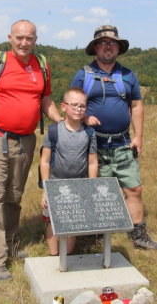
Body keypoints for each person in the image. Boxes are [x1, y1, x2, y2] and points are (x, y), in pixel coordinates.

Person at [0, 20, 62, 281]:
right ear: (10, 37)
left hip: (26, 140)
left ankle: (11, 245)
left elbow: (45, 100)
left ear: (36, 39)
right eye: (19, 37)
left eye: (29, 38)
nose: (24, 43)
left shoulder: (41, 65)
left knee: (13, 196)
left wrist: (63, 122)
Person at [70, 25, 157, 250]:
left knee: (134, 188)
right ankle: (95, 234)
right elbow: (71, 104)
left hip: (123, 143)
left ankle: (138, 235)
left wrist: (139, 136)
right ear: (95, 48)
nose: (108, 47)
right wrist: (84, 119)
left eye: (112, 43)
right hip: (94, 144)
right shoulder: (84, 74)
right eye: (103, 43)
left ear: (119, 48)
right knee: (97, 190)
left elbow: (136, 105)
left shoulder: (127, 75)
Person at [40, 87, 98, 256]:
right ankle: (53, 256)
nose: (78, 109)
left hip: (79, 184)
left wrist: (91, 187)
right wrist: (46, 188)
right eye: (74, 105)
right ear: (63, 107)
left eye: (82, 106)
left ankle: (68, 256)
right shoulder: (53, 131)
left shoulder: (89, 133)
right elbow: (45, 161)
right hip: (55, 184)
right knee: (53, 222)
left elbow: (93, 161)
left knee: (73, 223)